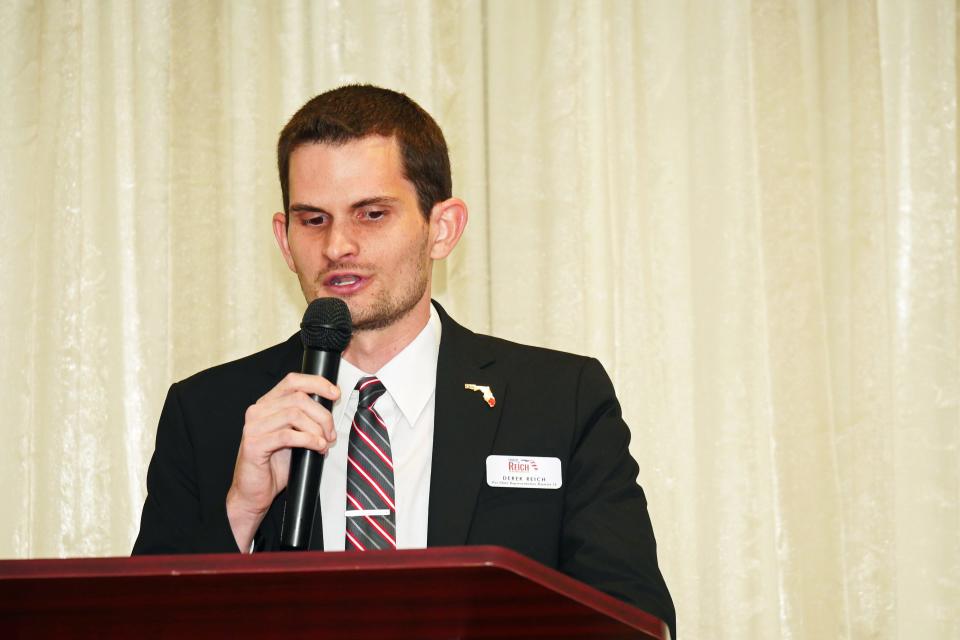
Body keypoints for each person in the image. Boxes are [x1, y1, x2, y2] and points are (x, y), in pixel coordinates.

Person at [133, 84, 675, 636]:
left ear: (442, 228)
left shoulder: (559, 400)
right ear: (284, 237)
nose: (338, 245)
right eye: (314, 220)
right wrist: (241, 511)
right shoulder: (208, 412)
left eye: (371, 214)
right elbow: (144, 628)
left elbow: (635, 622)